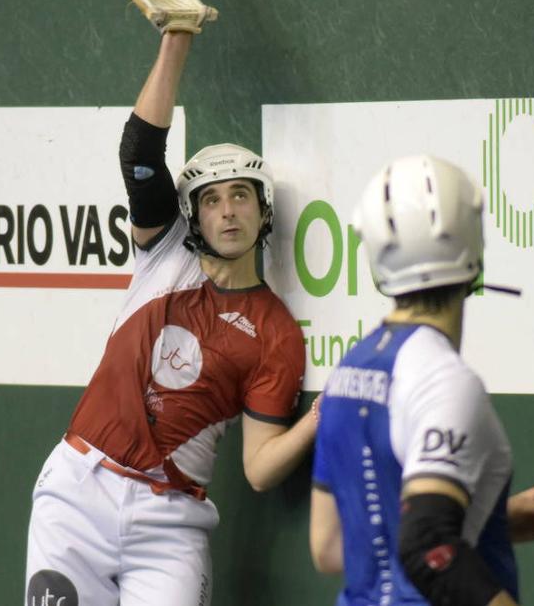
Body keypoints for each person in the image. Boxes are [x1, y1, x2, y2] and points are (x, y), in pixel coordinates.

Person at [25, 31, 318, 606]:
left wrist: (317, 419)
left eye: (241, 196)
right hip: (78, 496)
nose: (228, 211)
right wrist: (177, 38)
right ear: (193, 215)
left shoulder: (275, 331)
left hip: (170, 525)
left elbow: (259, 468)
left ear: (263, 212)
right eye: (212, 199)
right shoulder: (164, 248)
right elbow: (139, 152)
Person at [309, 155, 534, 606]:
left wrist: (492, 523)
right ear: (474, 244)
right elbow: (428, 545)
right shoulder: (446, 381)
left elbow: (329, 547)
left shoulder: (347, 372)